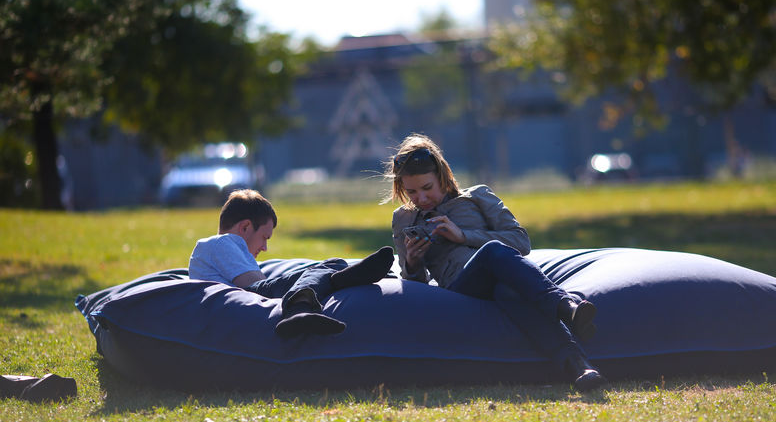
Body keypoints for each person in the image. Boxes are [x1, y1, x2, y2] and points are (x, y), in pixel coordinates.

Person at [383, 134, 607, 391]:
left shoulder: (478, 197)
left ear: (442, 177)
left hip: (501, 280)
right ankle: (565, 306)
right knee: (492, 251)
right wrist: (412, 262)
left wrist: (463, 235)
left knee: (508, 290)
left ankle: (580, 367)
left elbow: (520, 242)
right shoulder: (403, 219)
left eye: (427, 188)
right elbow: (414, 286)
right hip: (460, 289)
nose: (421, 199)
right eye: (411, 192)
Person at [189, 189, 394, 339]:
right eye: (264, 237)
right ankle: (302, 304)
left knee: (332, 265)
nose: (264, 248)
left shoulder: (223, 247)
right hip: (245, 295)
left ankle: (339, 278)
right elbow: (255, 287)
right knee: (326, 267)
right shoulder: (219, 243)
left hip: (249, 292)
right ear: (245, 227)